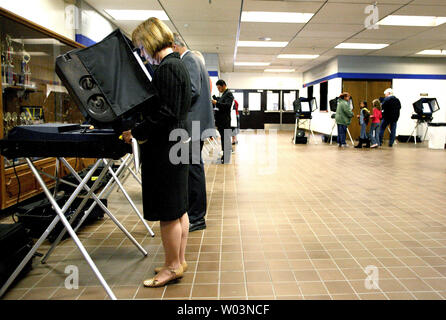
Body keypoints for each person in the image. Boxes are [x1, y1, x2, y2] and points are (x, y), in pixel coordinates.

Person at [122, 17, 191, 287]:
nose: (141, 52)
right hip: (178, 142)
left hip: (167, 147)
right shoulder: (177, 65)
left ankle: (172, 266)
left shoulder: (167, 68)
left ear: (150, 41)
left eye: (141, 46)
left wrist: (137, 131)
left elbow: (166, 113)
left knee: (168, 211)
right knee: (178, 208)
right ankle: (178, 260)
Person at [172, 33, 215, 232]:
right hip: (196, 124)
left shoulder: (189, 59)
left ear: (173, 46)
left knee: (192, 171)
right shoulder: (195, 59)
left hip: (192, 125)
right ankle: (195, 215)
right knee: (192, 170)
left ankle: (196, 217)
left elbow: (191, 90)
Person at [212, 79, 234, 163]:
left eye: (219, 88)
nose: (218, 90)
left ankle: (226, 158)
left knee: (226, 140)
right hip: (221, 121)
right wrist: (216, 99)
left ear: (224, 85)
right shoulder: (224, 94)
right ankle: (225, 156)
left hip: (225, 121)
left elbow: (227, 106)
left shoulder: (229, 94)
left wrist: (216, 103)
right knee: (224, 139)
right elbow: (222, 101)